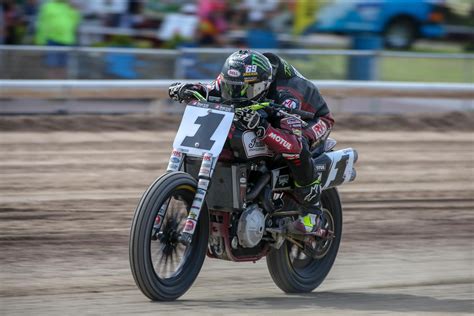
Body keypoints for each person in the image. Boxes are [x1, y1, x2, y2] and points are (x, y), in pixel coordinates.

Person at [168, 50, 334, 235]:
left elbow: (292, 144)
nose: (234, 95)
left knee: (297, 148)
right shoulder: (238, 74)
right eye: (231, 88)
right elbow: (213, 88)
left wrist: (264, 128)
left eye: (243, 90)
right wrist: (189, 89)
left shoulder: (287, 96)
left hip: (312, 118)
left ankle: (312, 212)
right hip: (266, 107)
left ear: (261, 87)